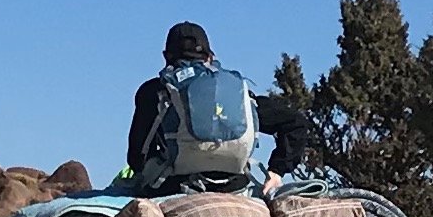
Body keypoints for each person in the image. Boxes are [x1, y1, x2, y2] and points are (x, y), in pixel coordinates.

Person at [123, 21, 316, 195]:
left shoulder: (154, 91)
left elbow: (137, 154)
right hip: (234, 185)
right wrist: (277, 170)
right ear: (209, 56)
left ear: (166, 57)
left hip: (173, 185)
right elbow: (295, 121)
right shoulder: (240, 92)